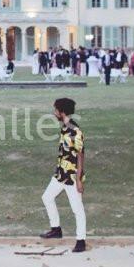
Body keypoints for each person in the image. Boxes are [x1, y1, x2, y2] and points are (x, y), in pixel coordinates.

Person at [39, 98, 86, 253]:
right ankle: (56, 229)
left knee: (77, 209)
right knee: (47, 197)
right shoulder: (65, 128)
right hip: (60, 174)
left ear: (62, 111)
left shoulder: (75, 130)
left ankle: (81, 240)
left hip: (72, 176)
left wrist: (79, 180)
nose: (54, 113)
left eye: (55, 110)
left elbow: (80, 155)